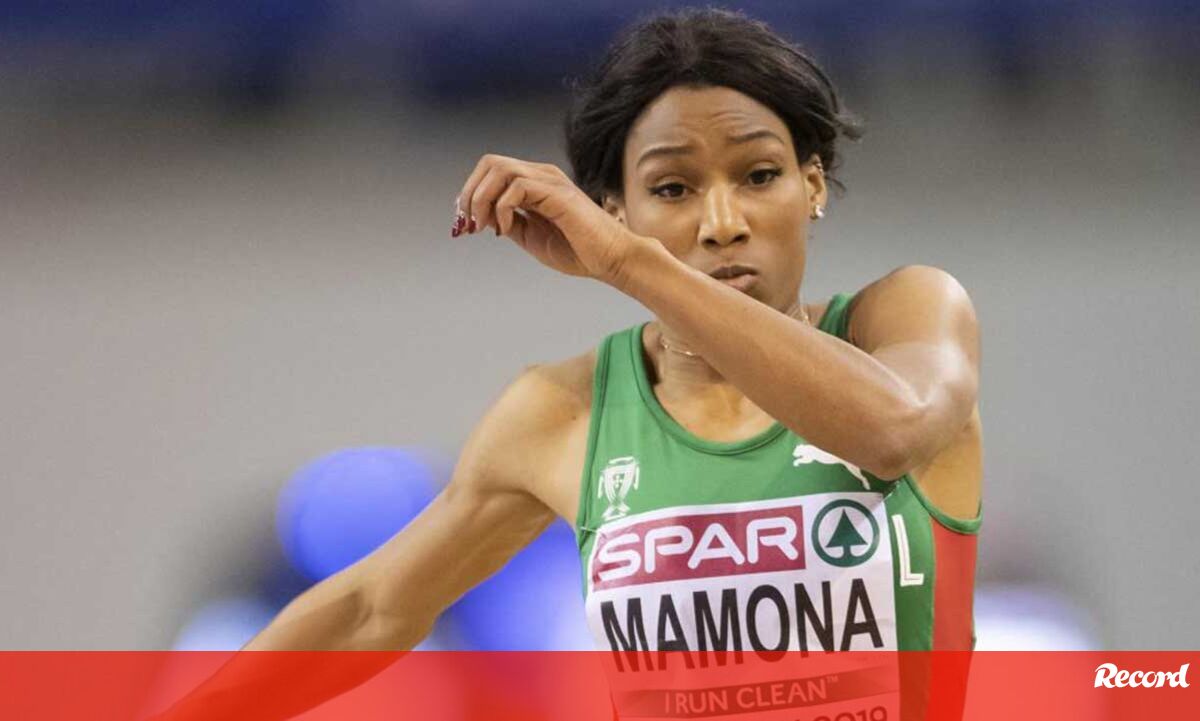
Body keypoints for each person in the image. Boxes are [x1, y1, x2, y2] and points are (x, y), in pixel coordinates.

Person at [158, 7, 982, 720]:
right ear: (615, 210)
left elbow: (893, 431)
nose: (722, 221)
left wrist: (630, 264)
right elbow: (372, 608)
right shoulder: (563, 411)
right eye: (672, 189)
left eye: (759, 175)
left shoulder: (904, 318)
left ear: (813, 186)